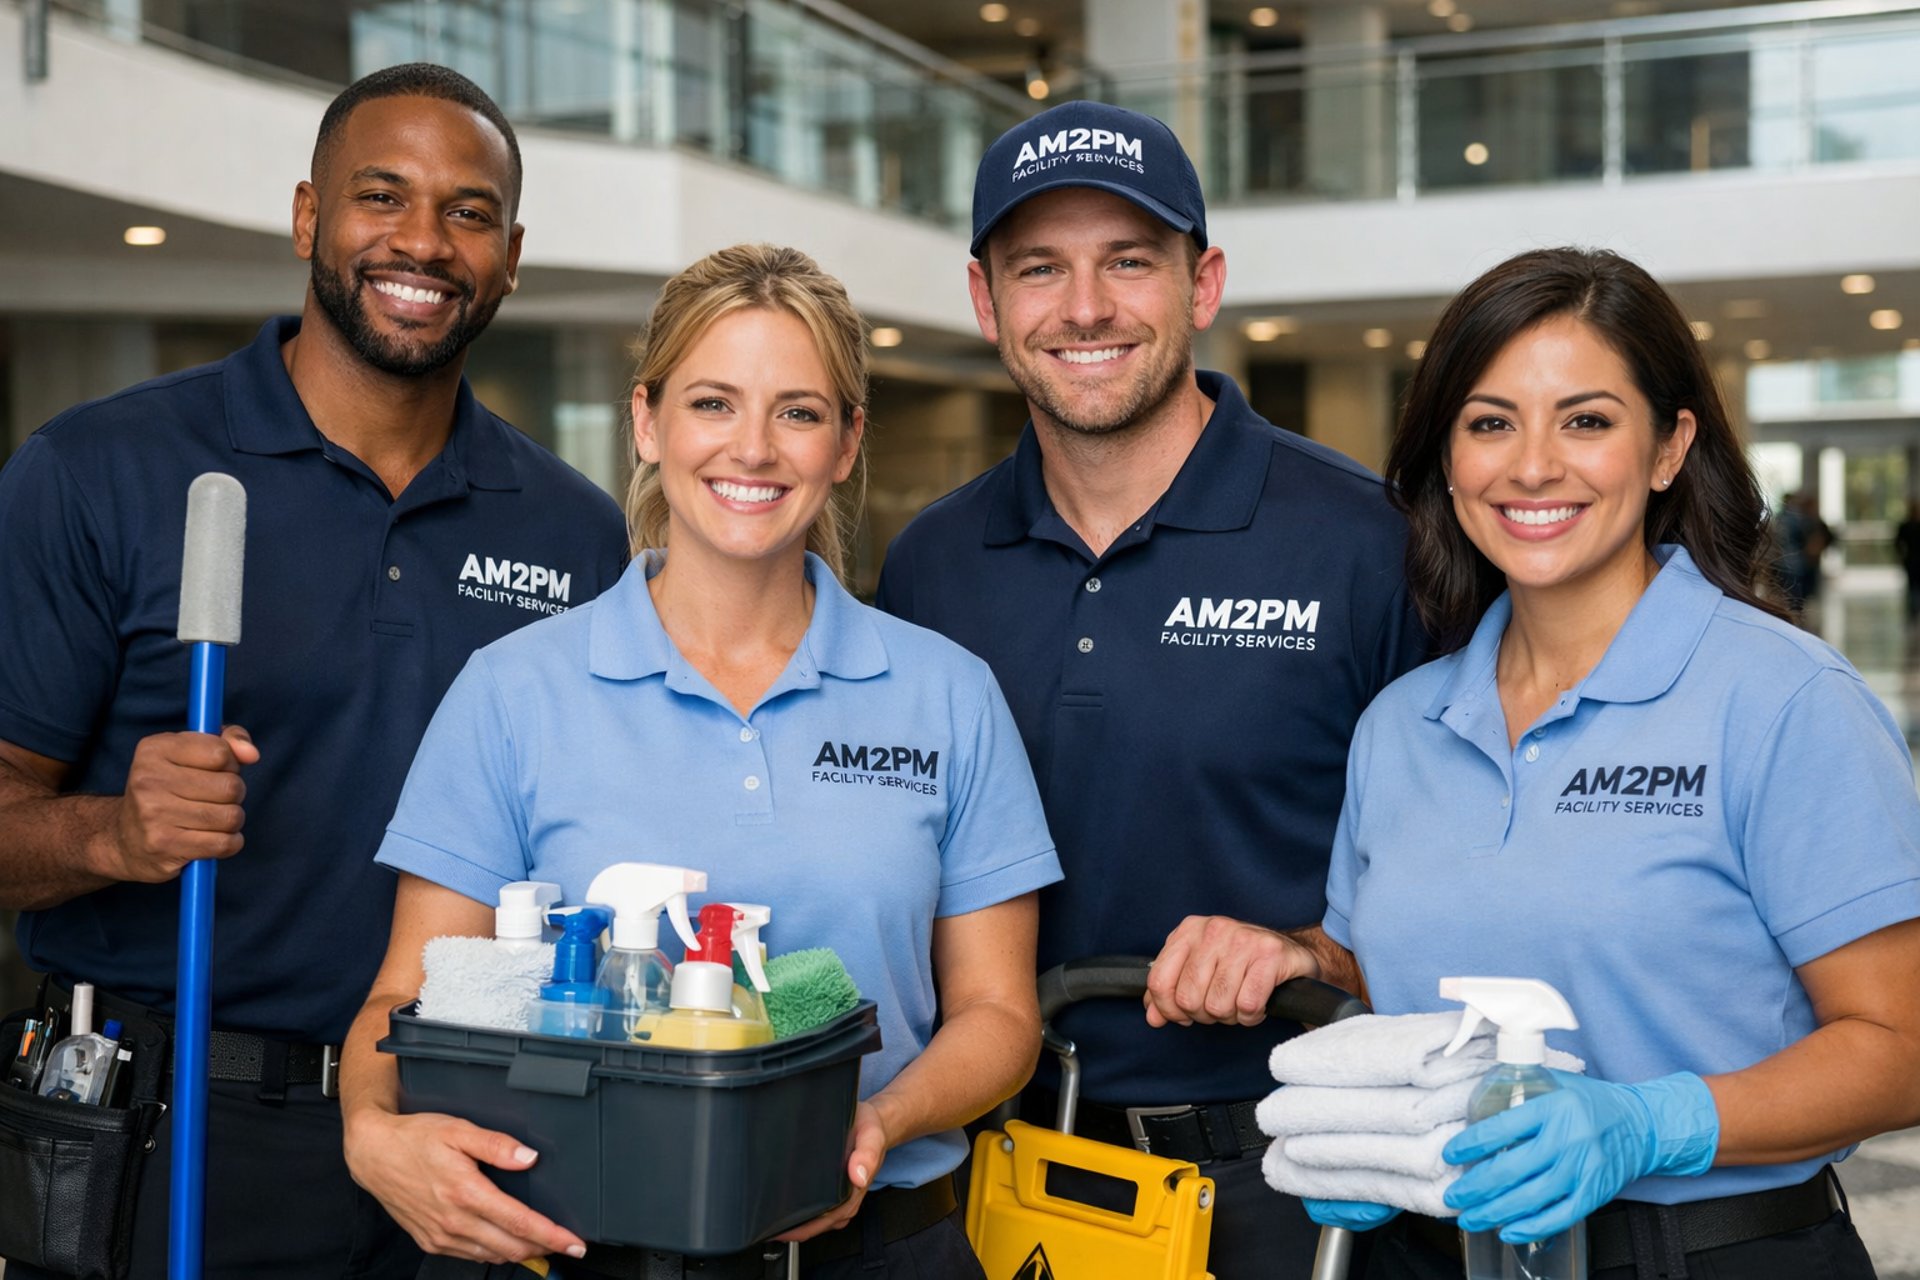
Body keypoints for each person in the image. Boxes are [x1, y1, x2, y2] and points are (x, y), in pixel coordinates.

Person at [0, 65, 629, 1279]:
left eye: (468, 212)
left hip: (470, 1135)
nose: (422, 242)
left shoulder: (573, 530)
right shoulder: (100, 472)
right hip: (176, 1130)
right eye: (379, 196)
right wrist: (114, 835)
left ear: (509, 257)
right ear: (307, 218)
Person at [339, 243, 1062, 1279]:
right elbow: (403, 995)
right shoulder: (513, 690)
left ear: (848, 440)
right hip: (579, 1243)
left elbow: (1000, 1015)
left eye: (800, 411)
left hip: (876, 1247)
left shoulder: (946, 692)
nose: (755, 449)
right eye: (714, 402)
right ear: (647, 420)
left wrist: (868, 1123)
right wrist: (373, 1132)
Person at [872, 100, 1428, 1276]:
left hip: (1291, 1195)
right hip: (995, 1183)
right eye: (1040, 268)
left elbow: (1477, 873)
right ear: (985, 301)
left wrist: (1310, 951)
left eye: (1130, 260)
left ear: (1203, 282)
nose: (1084, 307)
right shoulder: (931, 565)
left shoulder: (1364, 542)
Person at [1317, 247, 1920, 1278]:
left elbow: (1901, 1045)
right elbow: (1386, 984)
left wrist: (1651, 1121)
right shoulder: (1399, 725)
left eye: (1586, 420)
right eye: (1489, 421)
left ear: (1668, 447)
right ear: (1447, 456)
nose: (1533, 465)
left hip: (1716, 1253)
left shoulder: (1780, 700)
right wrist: (1363, 1122)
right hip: (1435, 1256)